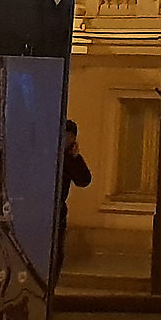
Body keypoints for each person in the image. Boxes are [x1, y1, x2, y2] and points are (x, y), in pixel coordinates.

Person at [52, 119, 91, 289]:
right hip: (44, 209)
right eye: (65, 135)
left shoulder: (69, 158)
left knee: (56, 253)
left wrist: (75, 158)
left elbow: (83, 180)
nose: (67, 139)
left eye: (71, 137)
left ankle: (51, 286)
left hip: (58, 211)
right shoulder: (49, 153)